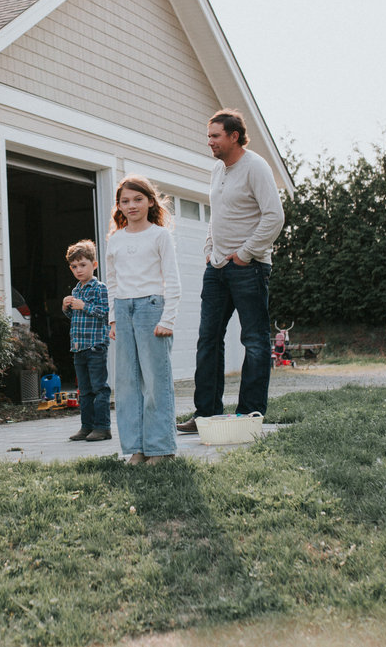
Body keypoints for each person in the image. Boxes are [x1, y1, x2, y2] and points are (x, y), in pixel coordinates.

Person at [178, 109, 285, 432]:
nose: (209, 141)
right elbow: (217, 214)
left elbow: (274, 216)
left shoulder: (255, 167)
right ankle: (205, 414)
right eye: (209, 135)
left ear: (234, 136)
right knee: (207, 339)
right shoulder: (216, 170)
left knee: (254, 340)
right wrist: (210, 249)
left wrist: (245, 253)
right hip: (217, 269)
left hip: (249, 268)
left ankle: (249, 415)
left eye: (215, 136)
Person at [105, 175, 181, 465]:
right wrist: (113, 319)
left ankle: (161, 448)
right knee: (126, 383)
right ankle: (136, 449)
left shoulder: (160, 236)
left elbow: (172, 281)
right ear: (119, 206)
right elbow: (112, 282)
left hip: (152, 309)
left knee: (155, 381)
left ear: (150, 201)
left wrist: (168, 319)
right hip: (123, 311)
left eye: (137, 199)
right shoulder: (115, 240)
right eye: (125, 201)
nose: (131, 205)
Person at [62, 239, 111, 442]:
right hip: (79, 346)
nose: (78, 270)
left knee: (99, 388)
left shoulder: (100, 288)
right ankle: (86, 426)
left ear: (94, 265)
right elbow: (75, 318)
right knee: (84, 390)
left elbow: (106, 313)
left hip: (96, 345)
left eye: (83, 265)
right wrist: (66, 308)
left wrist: (85, 306)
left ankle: (103, 427)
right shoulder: (76, 291)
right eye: (74, 266)